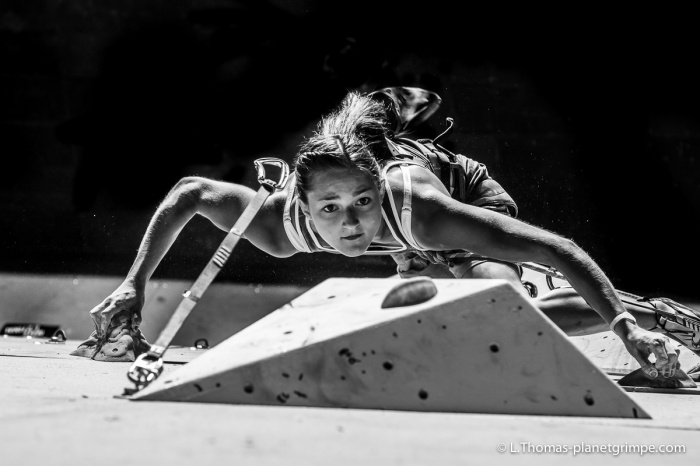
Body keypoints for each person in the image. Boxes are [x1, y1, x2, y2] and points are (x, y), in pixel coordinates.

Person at [82, 87, 696, 379]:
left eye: (361, 203)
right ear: (302, 204)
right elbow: (189, 193)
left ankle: (652, 317)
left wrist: (624, 328)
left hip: (461, 192)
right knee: (449, 327)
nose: (350, 224)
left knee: (503, 320)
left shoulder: (422, 211)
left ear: (379, 191)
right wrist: (134, 286)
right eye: (329, 209)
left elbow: (555, 247)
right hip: (401, 228)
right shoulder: (275, 226)